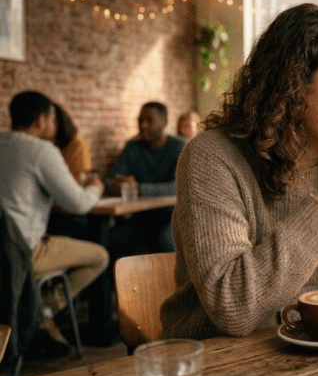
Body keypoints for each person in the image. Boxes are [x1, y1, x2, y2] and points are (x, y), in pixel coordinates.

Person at [159, 3, 318, 339]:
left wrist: (296, 305)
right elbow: (234, 308)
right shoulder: (212, 158)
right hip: (213, 362)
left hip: (317, 352)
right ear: (294, 84)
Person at [0, 91, 109, 355]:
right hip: (21, 252)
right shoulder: (41, 150)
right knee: (100, 256)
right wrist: (96, 187)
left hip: (2, 251)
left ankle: (37, 313)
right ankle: (44, 311)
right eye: (51, 118)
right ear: (41, 120)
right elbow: (80, 203)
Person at [104, 102, 187, 255]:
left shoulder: (179, 146)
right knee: (108, 239)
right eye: (140, 120)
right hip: (142, 219)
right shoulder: (132, 148)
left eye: (149, 120)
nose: (143, 125)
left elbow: (179, 186)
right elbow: (110, 180)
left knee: (166, 242)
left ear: (165, 122)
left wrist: (139, 188)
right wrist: (117, 184)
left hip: (172, 217)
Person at [46, 102, 93, 240]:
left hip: (67, 213)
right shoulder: (37, 148)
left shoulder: (76, 145)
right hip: (47, 212)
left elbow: (77, 186)